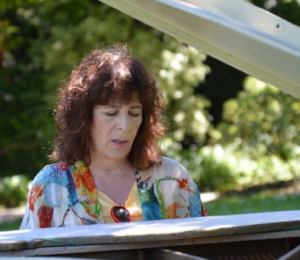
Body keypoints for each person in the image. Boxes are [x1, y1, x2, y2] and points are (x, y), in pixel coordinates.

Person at [20, 45, 208, 229]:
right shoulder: (50, 185)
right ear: (83, 117)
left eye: (134, 113)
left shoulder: (173, 178)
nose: (125, 126)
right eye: (111, 113)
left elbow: (205, 249)